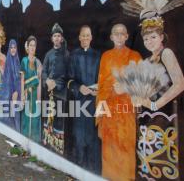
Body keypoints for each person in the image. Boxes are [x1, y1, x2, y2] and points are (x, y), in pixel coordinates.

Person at [131, 16, 183, 180]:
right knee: (147, 160)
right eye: (146, 38)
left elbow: (180, 84)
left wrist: (155, 105)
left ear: (161, 37)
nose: (149, 41)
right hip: (147, 117)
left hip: (163, 115)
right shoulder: (147, 60)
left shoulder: (166, 53)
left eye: (153, 37)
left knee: (163, 160)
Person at [96, 23, 141, 181]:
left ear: (127, 36)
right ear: (111, 37)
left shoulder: (135, 56)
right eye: (116, 33)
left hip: (126, 112)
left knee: (126, 150)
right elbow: (101, 84)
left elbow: (142, 85)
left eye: (123, 33)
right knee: (109, 152)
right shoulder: (106, 56)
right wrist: (100, 113)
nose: (120, 36)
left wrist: (126, 87)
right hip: (109, 112)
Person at [66, 25, 101, 173]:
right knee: (78, 138)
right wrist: (79, 88)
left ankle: (93, 172)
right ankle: (78, 172)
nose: (85, 38)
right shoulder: (73, 55)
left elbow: (103, 78)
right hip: (78, 104)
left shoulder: (98, 55)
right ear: (79, 37)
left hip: (94, 104)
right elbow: (69, 80)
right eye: (83, 35)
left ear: (91, 37)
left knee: (93, 140)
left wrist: (98, 89)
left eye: (88, 35)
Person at [41, 23, 69, 155]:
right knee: (48, 119)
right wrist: (47, 81)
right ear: (52, 39)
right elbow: (44, 71)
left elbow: (67, 75)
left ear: (61, 39)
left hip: (60, 94)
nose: (57, 38)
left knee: (58, 121)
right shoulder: (48, 54)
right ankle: (48, 148)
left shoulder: (66, 55)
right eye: (55, 36)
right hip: (49, 94)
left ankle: (57, 150)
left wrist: (56, 84)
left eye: (59, 36)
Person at [20, 36, 42, 141]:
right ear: (27, 47)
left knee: (35, 119)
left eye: (34, 45)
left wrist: (39, 99)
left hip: (35, 95)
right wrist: (22, 97)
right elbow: (22, 80)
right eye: (30, 45)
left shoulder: (38, 62)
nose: (32, 47)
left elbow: (39, 81)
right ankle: (25, 143)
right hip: (26, 94)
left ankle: (35, 145)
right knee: (26, 119)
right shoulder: (24, 61)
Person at [1, 39, 21, 131]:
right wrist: (10, 95)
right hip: (8, 95)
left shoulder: (17, 62)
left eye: (14, 47)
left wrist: (16, 91)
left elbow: (19, 80)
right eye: (11, 47)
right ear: (9, 49)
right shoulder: (8, 63)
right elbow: (6, 81)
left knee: (16, 118)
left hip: (16, 95)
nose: (13, 49)